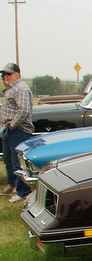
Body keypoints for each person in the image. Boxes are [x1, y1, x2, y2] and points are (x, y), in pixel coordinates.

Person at [2, 62, 35, 202]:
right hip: (8, 130)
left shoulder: (21, 88)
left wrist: (12, 125)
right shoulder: (11, 89)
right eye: (4, 75)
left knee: (19, 163)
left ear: (18, 75)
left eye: (9, 74)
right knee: (9, 161)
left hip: (19, 130)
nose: (6, 77)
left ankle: (23, 192)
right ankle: (13, 185)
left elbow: (24, 110)